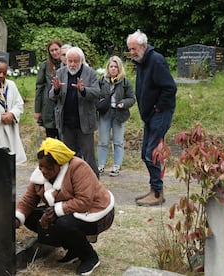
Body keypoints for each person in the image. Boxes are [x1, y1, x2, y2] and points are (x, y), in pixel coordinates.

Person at [15, 138, 114, 275]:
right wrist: (17, 217)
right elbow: (28, 200)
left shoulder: (79, 168)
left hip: (96, 212)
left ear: (60, 165)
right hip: (68, 210)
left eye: (49, 168)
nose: (44, 171)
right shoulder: (41, 174)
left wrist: (54, 211)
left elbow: (84, 201)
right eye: (40, 167)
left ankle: (90, 257)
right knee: (31, 217)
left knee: (64, 224)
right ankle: (74, 249)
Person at [126, 30, 177, 206]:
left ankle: (157, 193)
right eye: (129, 49)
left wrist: (158, 107)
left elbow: (170, 88)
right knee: (145, 154)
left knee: (151, 154)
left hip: (160, 114)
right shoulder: (142, 61)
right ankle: (155, 189)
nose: (131, 53)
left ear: (143, 46)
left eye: (133, 49)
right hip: (150, 115)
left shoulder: (156, 60)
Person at [49, 46, 100, 178]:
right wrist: (55, 90)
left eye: (75, 61)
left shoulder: (90, 73)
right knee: (68, 156)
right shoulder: (60, 73)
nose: (72, 64)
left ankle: (94, 183)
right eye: (69, 61)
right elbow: (51, 96)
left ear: (81, 61)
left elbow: (97, 92)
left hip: (84, 122)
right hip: (66, 122)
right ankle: (70, 182)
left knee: (89, 156)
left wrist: (83, 90)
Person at [97, 55, 135, 177]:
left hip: (119, 114)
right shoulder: (102, 81)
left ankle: (116, 166)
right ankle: (101, 165)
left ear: (119, 68)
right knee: (103, 141)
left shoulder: (125, 82)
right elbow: (95, 95)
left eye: (116, 67)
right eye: (111, 66)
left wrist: (124, 103)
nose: (113, 69)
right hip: (105, 113)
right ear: (108, 68)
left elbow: (132, 99)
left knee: (118, 141)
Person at [35, 39, 62, 138]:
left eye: (56, 49)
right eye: (52, 50)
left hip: (62, 104)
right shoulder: (45, 66)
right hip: (49, 106)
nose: (54, 52)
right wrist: (37, 110)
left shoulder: (67, 64)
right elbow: (39, 88)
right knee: (50, 138)